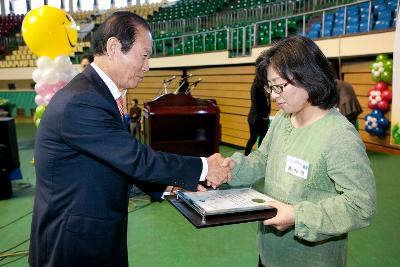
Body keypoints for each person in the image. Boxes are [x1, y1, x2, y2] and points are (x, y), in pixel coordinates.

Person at [29, 12, 231, 267]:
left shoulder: (95, 93)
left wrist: (165, 186)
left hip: (90, 233)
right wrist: (204, 166)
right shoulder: (83, 100)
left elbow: (115, 158)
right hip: (72, 245)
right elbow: (135, 158)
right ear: (114, 47)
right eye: (144, 56)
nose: (147, 66)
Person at [222, 35, 376, 267]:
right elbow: (262, 159)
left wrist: (297, 215)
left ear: (308, 76)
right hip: (270, 252)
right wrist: (232, 169)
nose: (273, 95)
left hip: (311, 260)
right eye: (270, 87)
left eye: (279, 85)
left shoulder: (339, 135)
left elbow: (360, 205)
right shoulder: (284, 120)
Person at [244, 76, 271, 156]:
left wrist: (267, 114)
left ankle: (260, 156)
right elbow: (256, 103)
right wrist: (263, 116)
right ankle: (246, 155)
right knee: (253, 138)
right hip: (255, 118)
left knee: (263, 139)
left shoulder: (265, 86)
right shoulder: (256, 86)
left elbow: (268, 102)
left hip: (264, 118)